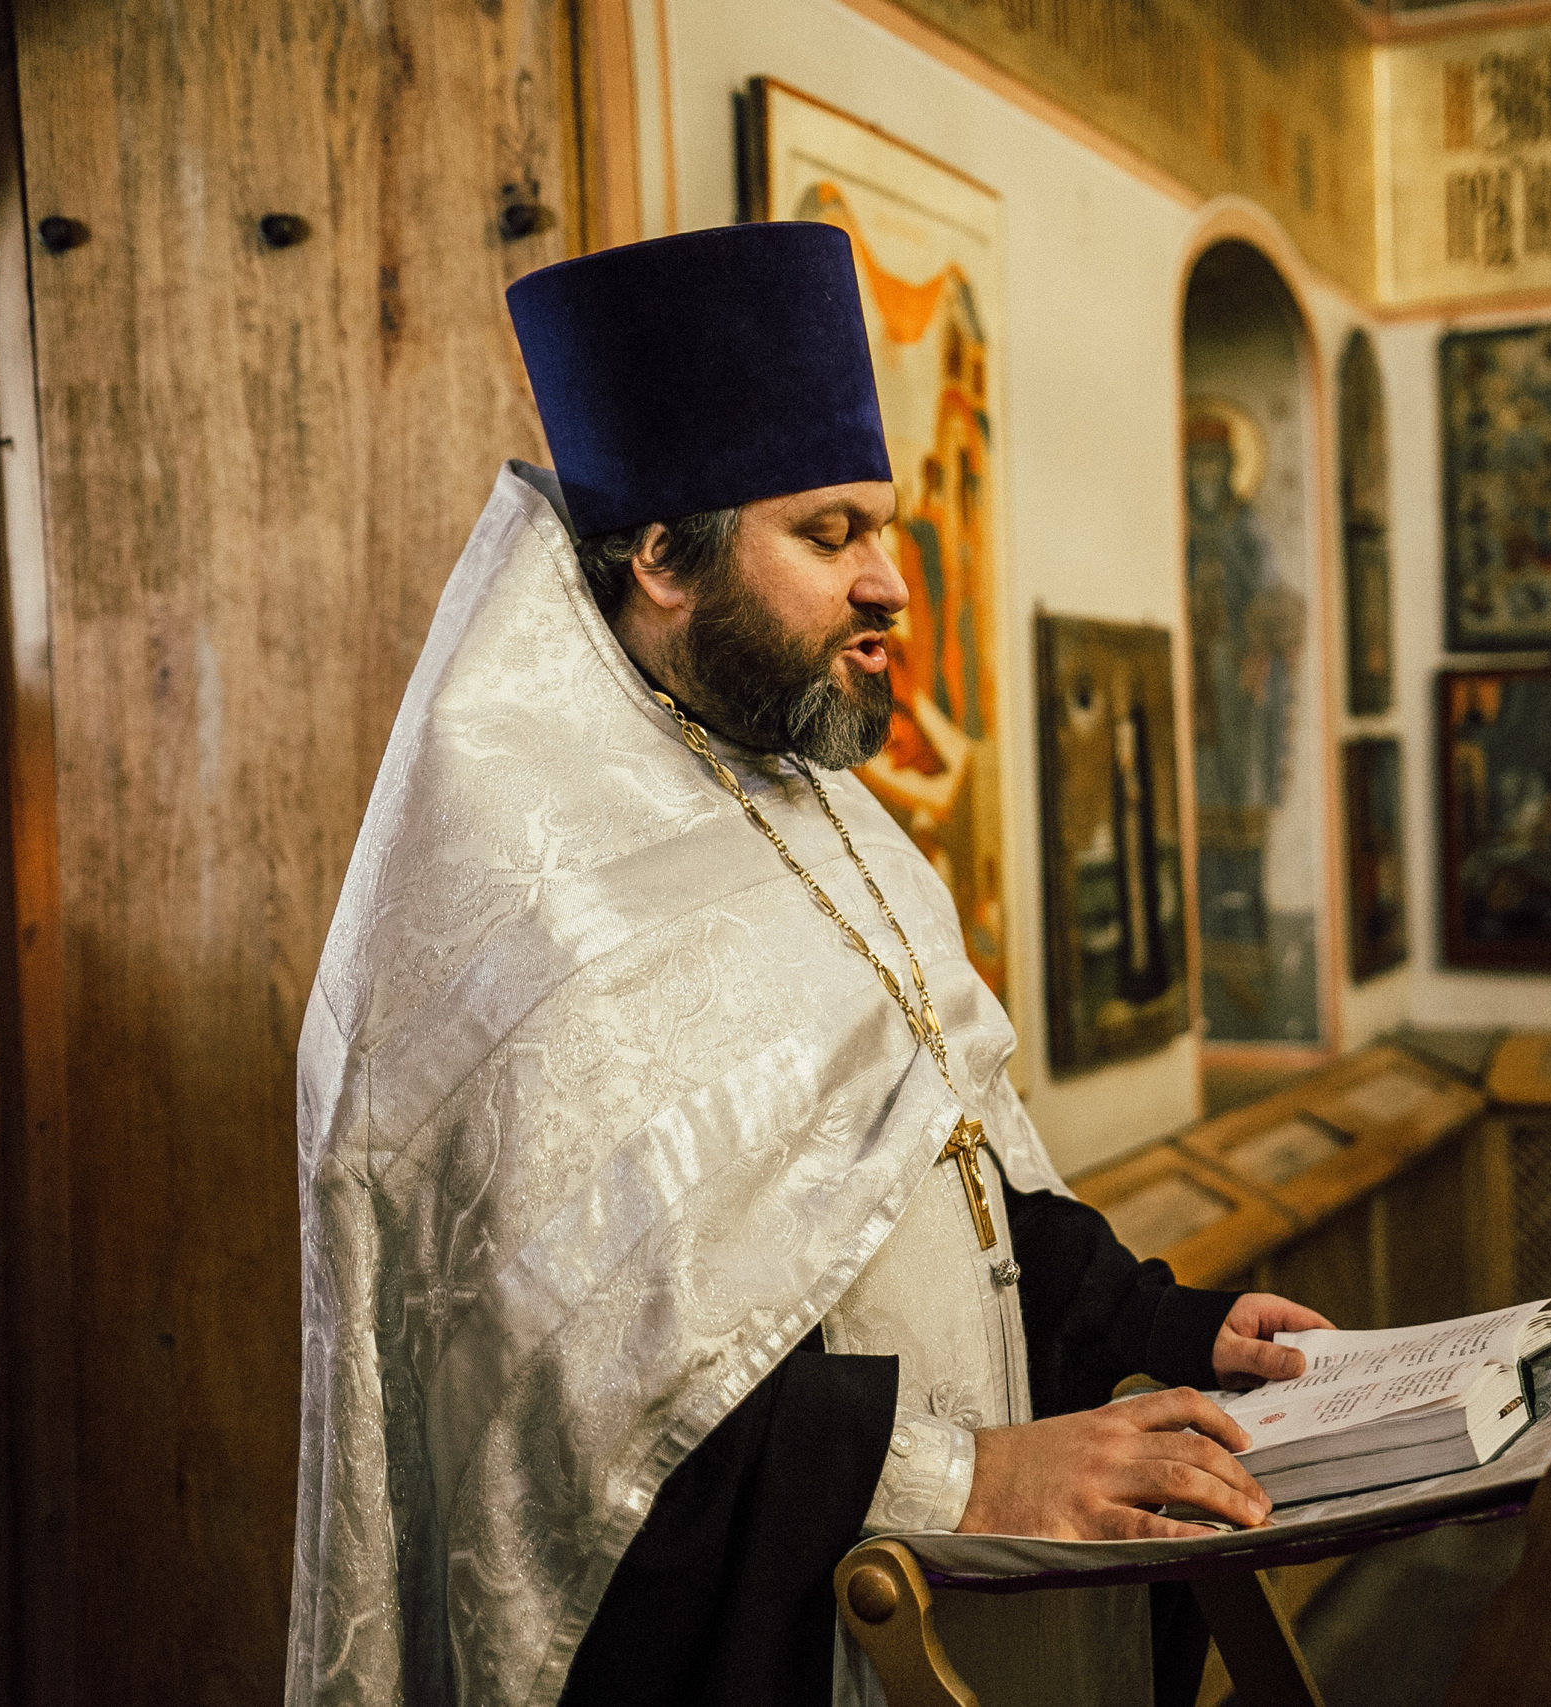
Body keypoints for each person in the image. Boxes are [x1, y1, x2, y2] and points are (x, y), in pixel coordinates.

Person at [286, 223, 1328, 1707]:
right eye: (831, 535)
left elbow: (946, 1179)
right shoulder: (524, 893)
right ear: (662, 553)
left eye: (884, 530)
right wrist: (958, 1474)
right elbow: (580, 1418)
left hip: (972, 1589)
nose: (894, 584)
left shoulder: (825, 810)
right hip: (770, 1642)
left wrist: (1166, 1324)